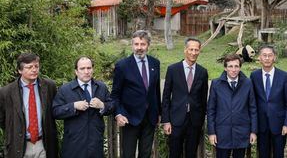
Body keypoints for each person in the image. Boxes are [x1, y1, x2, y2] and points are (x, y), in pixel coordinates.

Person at [111, 30, 161, 158]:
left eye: (143, 44)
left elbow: (155, 90)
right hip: (129, 118)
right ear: (132, 45)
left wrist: (159, 113)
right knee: (128, 154)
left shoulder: (155, 63)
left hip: (149, 118)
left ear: (148, 45)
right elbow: (115, 94)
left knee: (146, 154)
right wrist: (118, 113)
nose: (139, 48)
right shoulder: (122, 66)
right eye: (136, 44)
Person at [52, 56, 114, 158]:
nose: (86, 71)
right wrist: (73, 106)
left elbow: (112, 106)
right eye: (82, 68)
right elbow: (55, 111)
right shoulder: (65, 89)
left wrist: (102, 105)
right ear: (76, 71)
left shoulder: (101, 87)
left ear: (92, 69)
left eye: (89, 68)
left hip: (95, 143)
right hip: (74, 144)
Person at [0, 52, 58, 158]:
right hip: (19, 145)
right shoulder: (6, 92)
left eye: (36, 66)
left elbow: (55, 111)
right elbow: (2, 119)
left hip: (44, 144)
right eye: (29, 67)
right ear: (20, 70)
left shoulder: (49, 86)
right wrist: (16, 130)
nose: (34, 69)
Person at [161, 37, 208, 158]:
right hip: (176, 120)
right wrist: (166, 121)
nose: (193, 52)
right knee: (174, 153)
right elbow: (166, 97)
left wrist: (201, 120)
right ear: (185, 50)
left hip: (194, 121)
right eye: (191, 49)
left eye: (196, 50)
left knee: (191, 154)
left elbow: (203, 99)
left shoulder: (203, 72)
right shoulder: (173, 69)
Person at [207, 54, 257, 158]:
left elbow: (253, 109)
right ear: (225, 68)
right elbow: (211, 109)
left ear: (240, 67)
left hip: (241, 132)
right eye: (230, 66)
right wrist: (211, 132)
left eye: (236, 66)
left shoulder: (248, 83)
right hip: (222, 133)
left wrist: (253, 131)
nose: (233, 69)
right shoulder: (216, 84)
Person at [250, 45, 287, 158]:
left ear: (274, 57)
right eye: (264, 55)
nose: (267, 58)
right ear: (259, 58)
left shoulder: (284, 76)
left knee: (279, 154)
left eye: (270, 55)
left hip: (279, 125)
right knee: (263, 154)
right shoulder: (254, 76)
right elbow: (252, 102)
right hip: (261, 124)